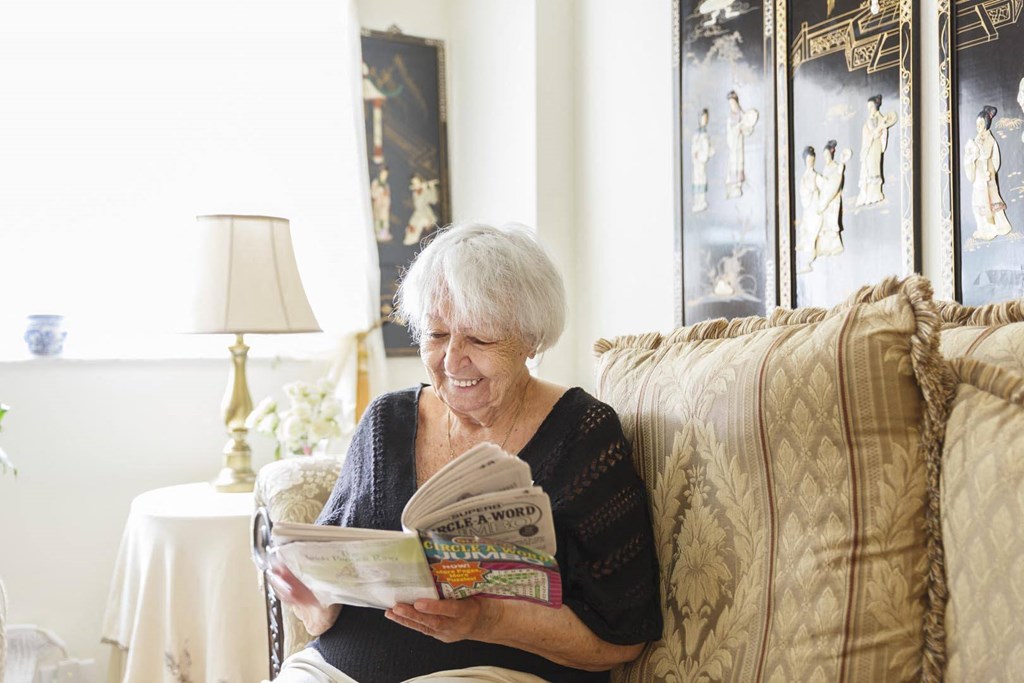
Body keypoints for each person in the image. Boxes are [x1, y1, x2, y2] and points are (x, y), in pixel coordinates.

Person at [268, 223, 663, 683]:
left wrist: (487, 621)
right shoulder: (386, 422)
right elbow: (324, 607)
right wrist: (308, 595)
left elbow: (621, 637)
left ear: (531, 341)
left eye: (479, 339)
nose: (452, 361)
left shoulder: (584, 434)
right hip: (332, 670)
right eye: (436, 335)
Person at [964, 105, 1012, 241]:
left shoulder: (991, 141)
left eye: (980, 124)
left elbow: (995, 159)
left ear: (986, 124)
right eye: (977, 124)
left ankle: (999, 226)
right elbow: (971, 155)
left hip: (987, 175)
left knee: (991, 201)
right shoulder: (975, 141)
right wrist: (971, 158)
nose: (978, 127)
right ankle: (983, 228)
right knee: (977, 202)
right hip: (978, 176)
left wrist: (990, 172)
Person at [855, 94, 896, 207]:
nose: (870, 110)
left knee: (874, 168)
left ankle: (875, 193)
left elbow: (883, 134)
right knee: (867, 168)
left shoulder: (882, 119)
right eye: (869, 108)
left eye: (871, 107)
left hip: (876, 147)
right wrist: (871, 136)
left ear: (876, 106)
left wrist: (878, 134)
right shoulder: (868, 122)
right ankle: (866, 194)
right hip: (868, 147)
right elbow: (866, 135)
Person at [691, 108, 714, 212]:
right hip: (697, 162)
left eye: (705, 118)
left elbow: (707, 148)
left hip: (701, 160)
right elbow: (694, 147)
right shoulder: (697, 134)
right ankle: (697, 202)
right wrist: (697, 154)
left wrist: (706, 154)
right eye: (702, 118)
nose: (704, 120)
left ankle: (702, 201)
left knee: (702, 179)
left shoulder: (705, 135)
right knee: (697, 179)